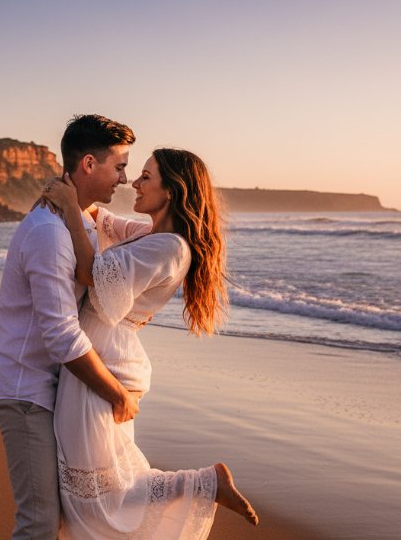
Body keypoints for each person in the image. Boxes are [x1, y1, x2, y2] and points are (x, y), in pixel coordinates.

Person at [41, 148, 258, 539]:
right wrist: (72, 189)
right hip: (102, 356)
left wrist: (70, 205)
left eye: (145, 176)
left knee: (94, 499)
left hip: (103, 362)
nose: (134, 184)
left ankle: (205, 484)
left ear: (171, 190)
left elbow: (91, 271)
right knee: (102, 487)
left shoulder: (171, 248)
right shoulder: (151, 234)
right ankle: (204, 483)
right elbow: (102, 220)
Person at [0, 114, 144, 540]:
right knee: (38, 525)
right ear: (89, 164)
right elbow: (60, 333)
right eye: (120, 166)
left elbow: (153, 235)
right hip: (24, 391)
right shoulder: (48, 232)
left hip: (51, 392)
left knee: (65, 520)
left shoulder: (84, 220)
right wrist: (116, 393)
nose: (125, 179)